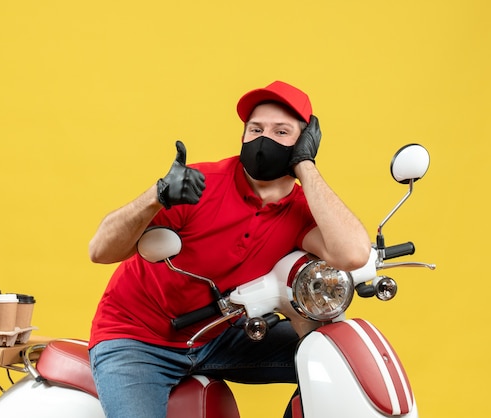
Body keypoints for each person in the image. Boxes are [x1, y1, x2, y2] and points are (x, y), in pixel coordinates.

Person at [88, 80, 371, 418]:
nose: (264, 139)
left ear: (305, 142)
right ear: (243, 136)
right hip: (136, 339)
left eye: (282, 132)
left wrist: (306, 166)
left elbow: (353, 254)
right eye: (255, 129)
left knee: (336, 360)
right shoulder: (196, 185)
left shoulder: (299, 210)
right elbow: (100, 251)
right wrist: (157, 195)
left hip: (217, 336)